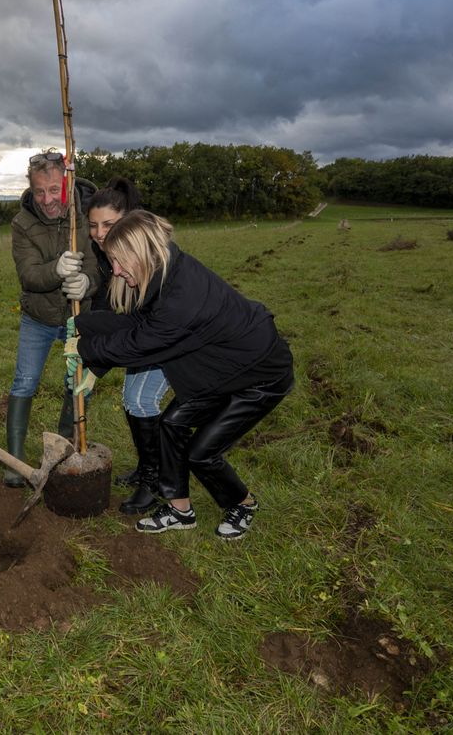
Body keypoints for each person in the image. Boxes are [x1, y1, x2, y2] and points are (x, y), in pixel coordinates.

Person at [71, 211, 294, 540]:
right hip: (223, 369)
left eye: (118, 262)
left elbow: (142, 342)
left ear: (139, 253)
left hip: (260, 376)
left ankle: (243, 504)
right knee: (172, 424)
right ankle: (180, 510)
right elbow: (139, 325)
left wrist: (87, 350)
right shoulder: (165, 273)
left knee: (202, 452)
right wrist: (82, 328)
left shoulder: (181, 296)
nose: (115, 271)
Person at [3, 150, 100, 487]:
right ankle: (13, 462)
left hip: (79, 319)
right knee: (25, 382)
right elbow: (29, 275)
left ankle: (63, 451)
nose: (46, 199)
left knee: (77, 385)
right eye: (39, 191)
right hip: (39, 318)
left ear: (67, 182)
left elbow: (96, 265)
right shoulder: (22, 223)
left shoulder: (85, 214)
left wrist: (86, 283)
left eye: (54, 189)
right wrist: (56, 270)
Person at [84, 177, 170, 515]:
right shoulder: (105, 253)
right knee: (131, 399)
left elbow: (151, 316)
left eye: (109, 224)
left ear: (129, 219)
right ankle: (146, 470)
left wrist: (97, 362)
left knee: (141, 398)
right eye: (93, 226)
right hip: (141, 332)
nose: (100, 232)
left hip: (163, 332)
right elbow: (109, 309)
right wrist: (92, 358)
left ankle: (156, 480)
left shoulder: (148, 254)